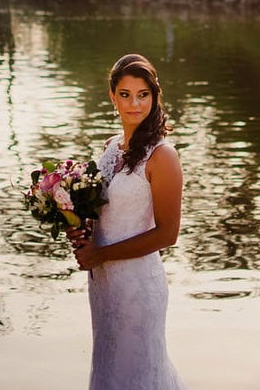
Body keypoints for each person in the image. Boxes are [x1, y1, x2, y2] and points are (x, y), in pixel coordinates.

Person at [68, 53, 188, 390]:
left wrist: (101, 254)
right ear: (112, 96)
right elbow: (101, 212)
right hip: (103, 283)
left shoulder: (162, 156)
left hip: (137, 284)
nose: (134, 104)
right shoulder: (109, 148)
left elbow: (169, 233)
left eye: (142, 94)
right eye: (125, 94)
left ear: (154, 96)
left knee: (138, 372)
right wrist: (76, 226)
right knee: (109, 370)